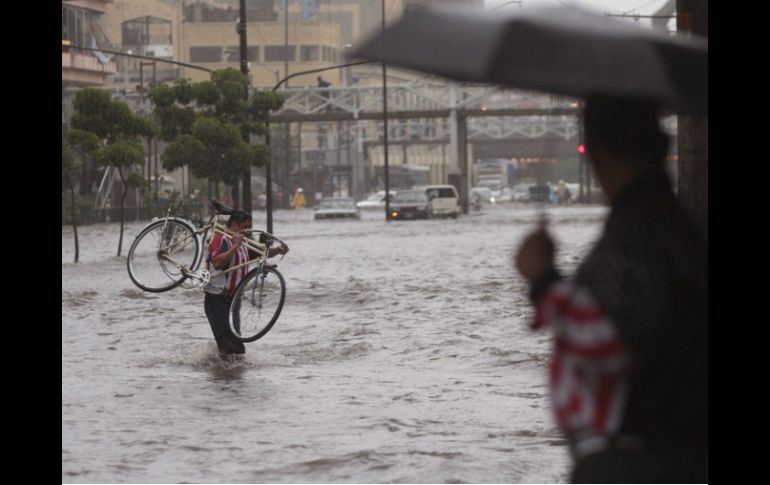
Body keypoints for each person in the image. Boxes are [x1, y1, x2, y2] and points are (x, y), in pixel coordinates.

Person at [514, 96, 706, 483]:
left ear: (595, 152)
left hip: (636, 457)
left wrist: (542, 279)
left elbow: (605, 339)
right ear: (663, 146)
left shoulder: (639, 231)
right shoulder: (672, 221)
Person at [204, 210, 288, 359]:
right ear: (235, 225)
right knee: (228, 346)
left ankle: (229, 376)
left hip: (233, 302)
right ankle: (224, 378)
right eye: (245, 227)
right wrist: (235, 246)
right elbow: (217, 263)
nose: (249, 231)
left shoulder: (243, 243)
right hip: (217, 299)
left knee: (237, 347)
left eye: (250, 227)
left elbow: (258, 253)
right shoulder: (222, 239)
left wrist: (277, 250)